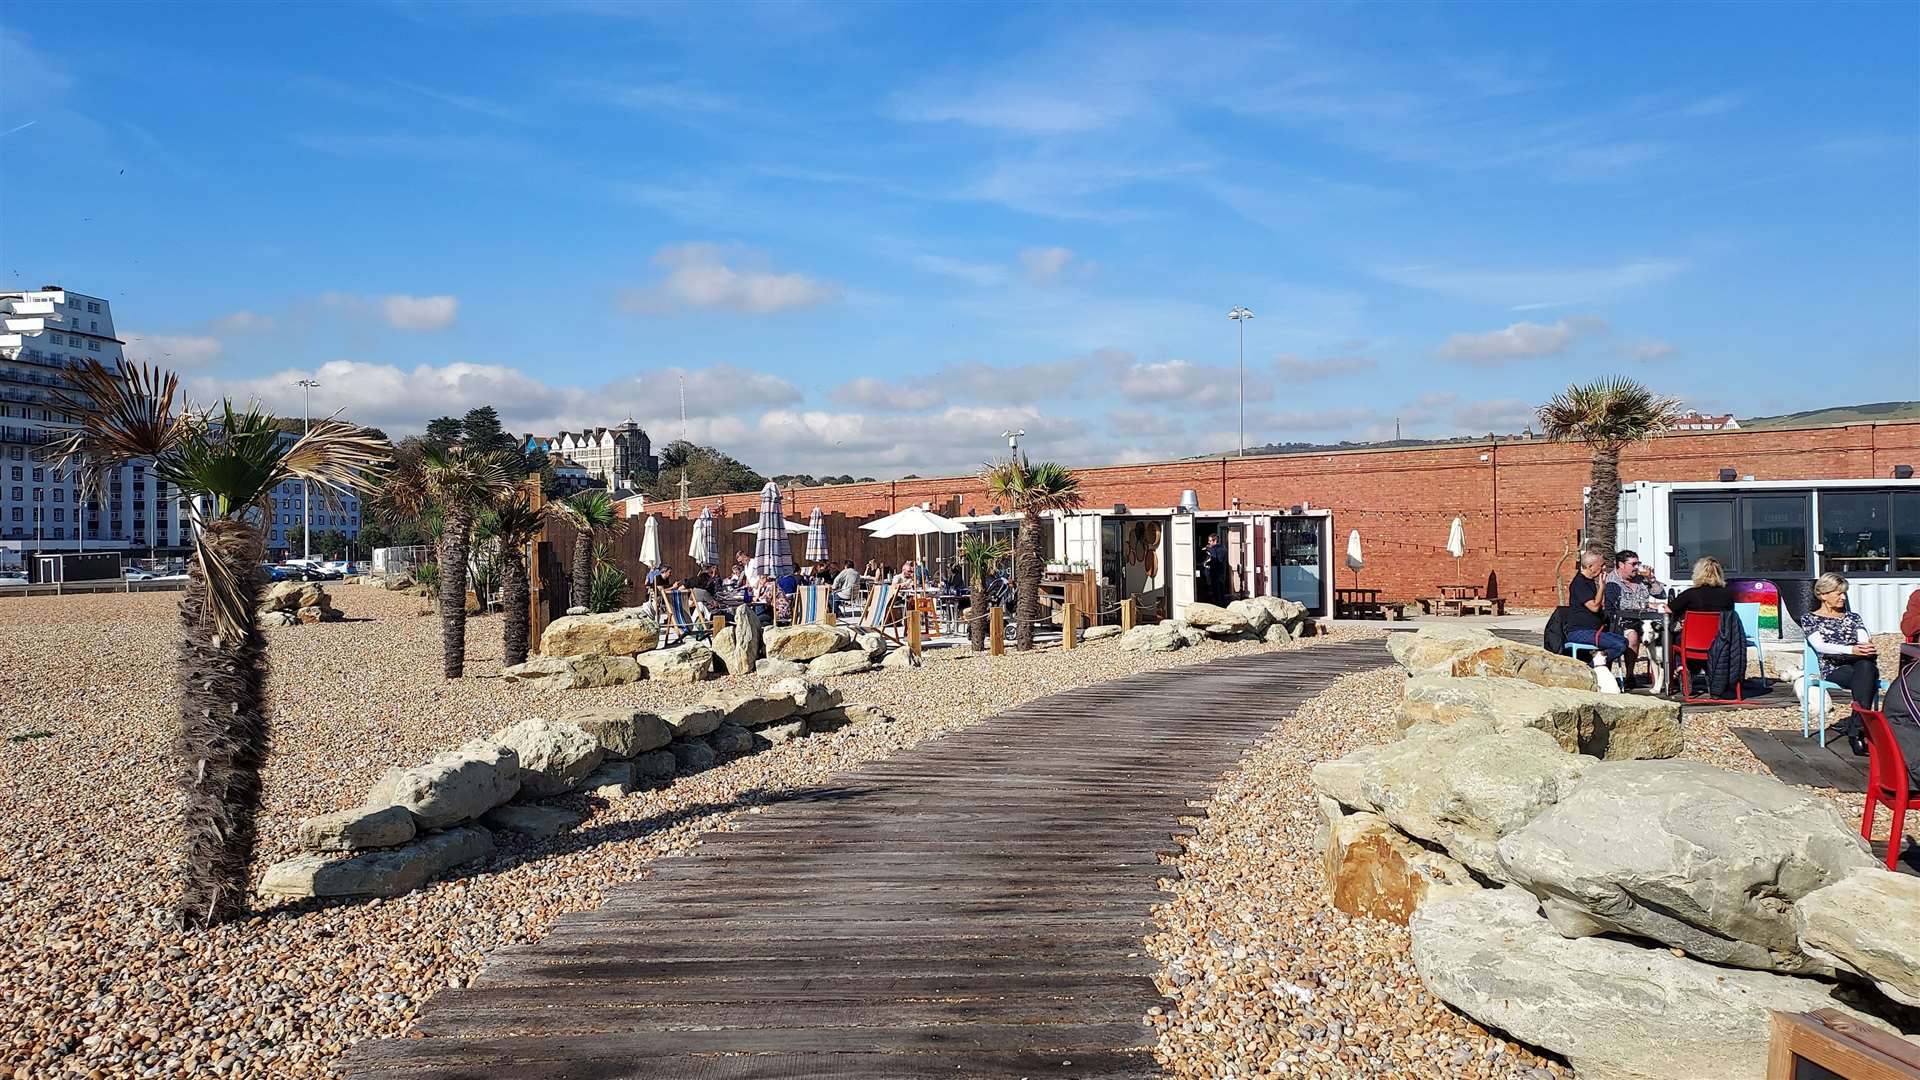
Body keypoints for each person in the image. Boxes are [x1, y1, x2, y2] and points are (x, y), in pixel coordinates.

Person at [1803, 572, 1879, 755]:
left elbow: (1862, 639)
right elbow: (1820, 646)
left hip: (1860, 664)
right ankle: (1858, 731)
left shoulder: (1853, 617)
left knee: (1865, 668)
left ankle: (1856, 730)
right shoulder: (1810, 618)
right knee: (1866, 676)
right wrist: (1851, 650)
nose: (1843, 597)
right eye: (1838, 593)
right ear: (1823, 595)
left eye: (1844, 593)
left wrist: (1865, 647)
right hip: (1834, 667)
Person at [1566, 550, 1626, 693]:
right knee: (1619, 644)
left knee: (1623, 641)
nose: (1604, 568)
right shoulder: (1579, 583)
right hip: (1580, 632)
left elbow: (1600, 605)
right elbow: (1594, 607)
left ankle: (1598, 668)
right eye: (1602, 565)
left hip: (1594, 630)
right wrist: (1603, 587)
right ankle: (1590, 668)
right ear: (1590, 566)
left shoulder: (1590, 582)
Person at [1608, 549, 1667, 691]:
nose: (1637, 567)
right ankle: (1629, 676)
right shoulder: (1612, 581)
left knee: (1664, 632)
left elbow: (1661, 594)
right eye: (1633, 564)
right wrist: (1646, 605)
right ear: (1621, 565)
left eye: (1638, 563)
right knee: (1633, 635)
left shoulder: (1641, 579)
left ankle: (1668, 674)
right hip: (1622, 621)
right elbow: (1618, 604)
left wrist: (1651, 579)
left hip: (1644, 620)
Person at [1202, 532, 1229, 605]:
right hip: (1213, 574)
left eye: (1210, 541)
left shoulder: (1221, 549)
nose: (1208, 542)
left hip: (1218, 575)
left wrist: (1210, 549)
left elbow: (1216, 559)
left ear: (1215, 541)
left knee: (1218, 593)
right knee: (1213, 592)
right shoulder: (1214, 549)